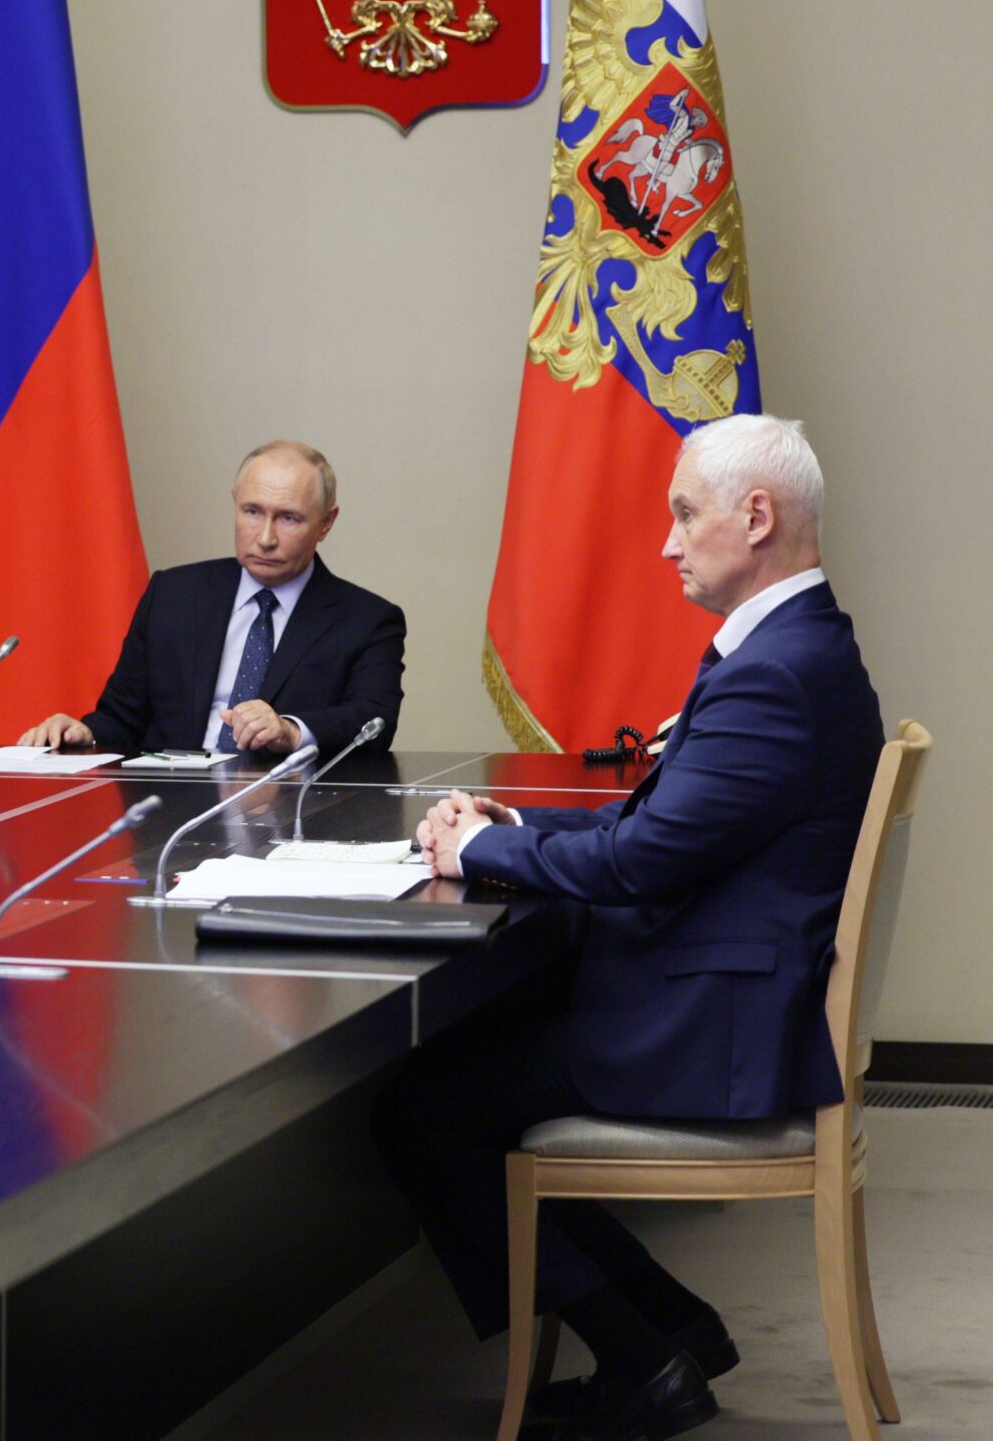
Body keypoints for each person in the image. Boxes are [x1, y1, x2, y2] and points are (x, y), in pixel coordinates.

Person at [376, 414, 881, 1441]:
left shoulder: (774, 673)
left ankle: (645, 1361)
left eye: (682, 515)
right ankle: (672, 1324)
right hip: (718, 992)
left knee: (421, 1110)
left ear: (754, 516)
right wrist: (511, 827)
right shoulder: (799, 647)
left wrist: (473, 855)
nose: (665, 542)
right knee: (463, 1077)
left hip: (707, 1023)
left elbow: (640, 862)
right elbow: (662, 821)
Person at [17, 440, 404, 756]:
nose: (265, 537)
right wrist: (83, 732)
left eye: (288, 518)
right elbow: (123, 718)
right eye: (252, 511)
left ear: (326, 522)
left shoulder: (367, 620)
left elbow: (372, 723)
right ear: (235, 502)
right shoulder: (173, 594)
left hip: (288, 812)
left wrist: (289, 731)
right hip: (170, 812)